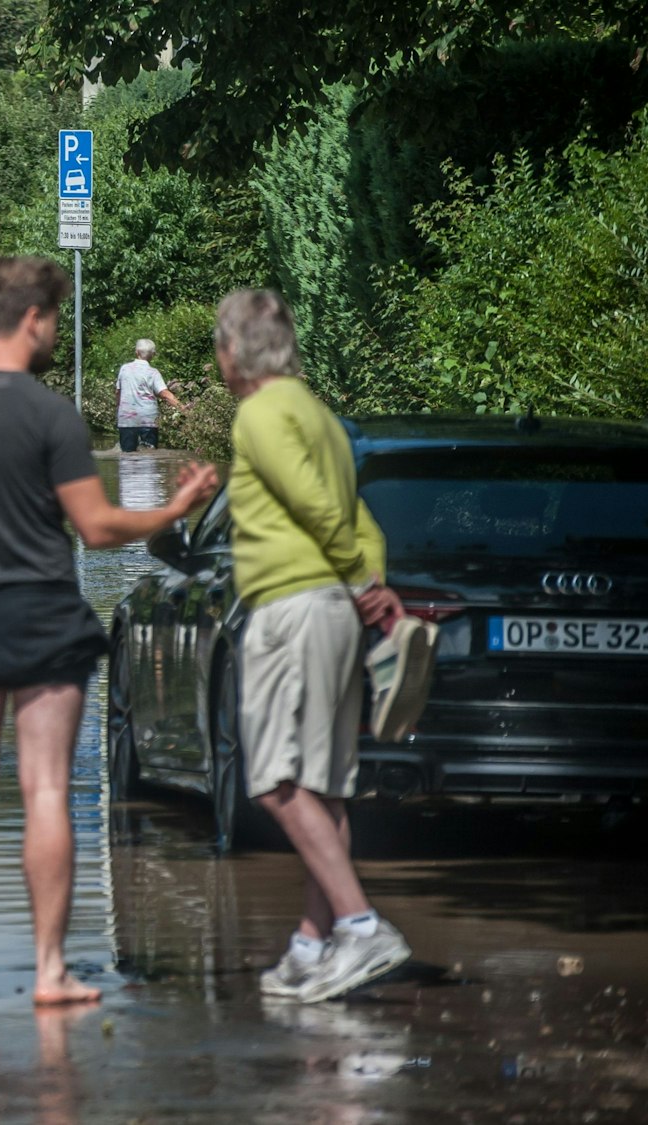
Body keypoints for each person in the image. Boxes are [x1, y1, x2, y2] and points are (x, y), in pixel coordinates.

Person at [0, 257, 219, 1008]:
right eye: (55, 320)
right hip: (43, 615)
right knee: (45, 790)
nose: (54, 334)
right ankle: (48, 972)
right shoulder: (50, 415)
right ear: (34, 318)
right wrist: (176, 510)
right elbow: (98, 529)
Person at [215, 289, 431, 1004]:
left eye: (221, 345)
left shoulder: (260, 413)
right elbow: (360, 518)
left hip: (292, 606)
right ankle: (314, 944)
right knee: (325, 784)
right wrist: (370, 585)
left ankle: (362, 924)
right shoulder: (324, 419)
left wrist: (352, 577)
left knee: (274, 778)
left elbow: (310, 502)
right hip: (335, 610)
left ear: (236, 352)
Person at [115, 339, 184, 452]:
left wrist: (117, 409)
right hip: (148, 419)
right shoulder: (153, 373)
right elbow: (165, 394)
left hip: (127, 419)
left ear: (136, 352)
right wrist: (182, 407)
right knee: (149, 455)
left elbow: (118, 392)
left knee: (127, 456)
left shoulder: (124, 369)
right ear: (153, 355)